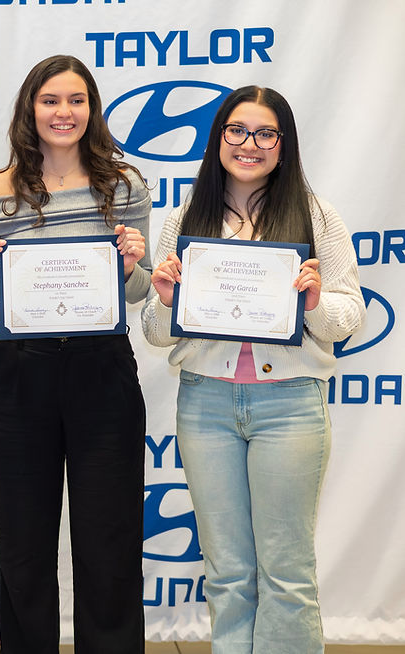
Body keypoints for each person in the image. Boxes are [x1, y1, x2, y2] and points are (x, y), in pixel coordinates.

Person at [141, 86, 365, 654]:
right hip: (206, 404)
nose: (249, 144)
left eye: (266, 133)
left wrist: (315, 302)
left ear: (283, 146)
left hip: (290, 405)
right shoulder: (186, 218)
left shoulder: (316, 216)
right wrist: (167, 298)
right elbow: (152, 328)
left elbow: (348, 316)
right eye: (236, 131)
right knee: (227, 570)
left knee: (287, 574)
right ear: (219, 138)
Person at [0, 55, 152, 653]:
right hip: (21, 375)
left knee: (111, 541)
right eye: (50, 100)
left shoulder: (123, 185)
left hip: (104, 372)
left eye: (76, 100)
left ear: (91, 109)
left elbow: (142, 287)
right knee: (23, 544)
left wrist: (129, 265)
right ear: (31, 108)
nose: (63, 112)